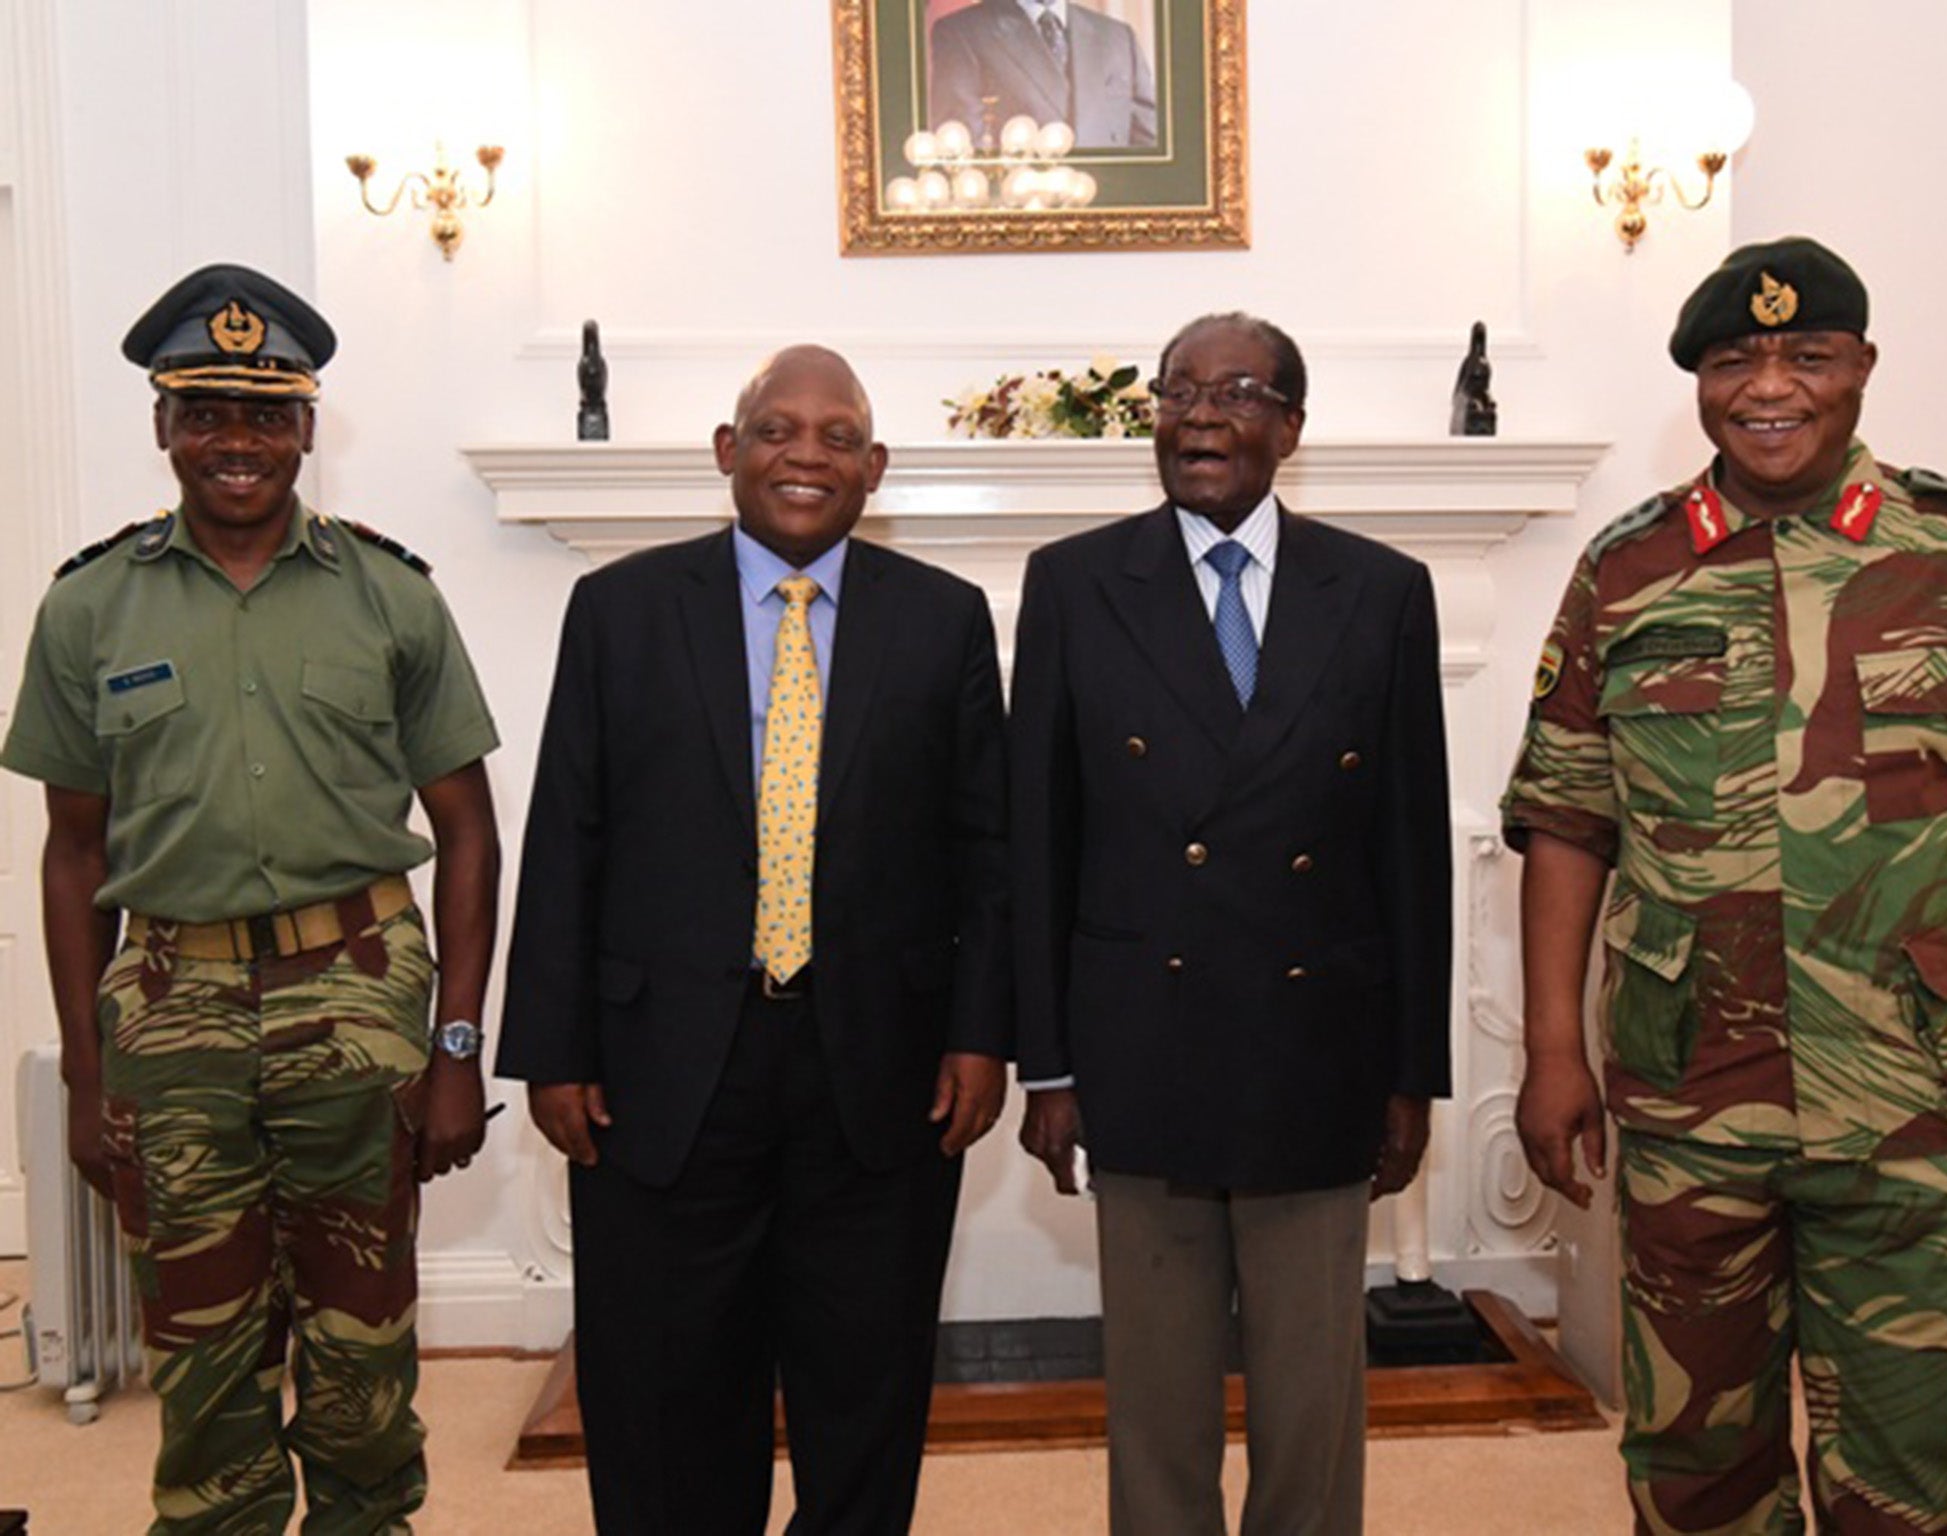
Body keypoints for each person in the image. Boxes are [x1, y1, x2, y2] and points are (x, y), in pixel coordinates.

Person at [1505, 236, 1947, 1534]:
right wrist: (1549, 1052)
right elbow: (1567, 823)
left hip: (1921, 1090)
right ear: (1697, 381)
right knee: (1697, 1468)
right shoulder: (1625, 573)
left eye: (1808, 355)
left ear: (1861, 367)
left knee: (1910, 1473)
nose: (1771, 386)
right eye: (1735, 358)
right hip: (1692, 1093)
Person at [0, 262, 502, 1532]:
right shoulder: (87, 607)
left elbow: (468, 830)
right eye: (208, 412)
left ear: (308, 430)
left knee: (363, 1353)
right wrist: (84, 1076)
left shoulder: (391, 595)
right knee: (204, 1354)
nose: (239, 443)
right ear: (161, 427)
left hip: (360, 1000)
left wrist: (456, 1047)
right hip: (169, 1016)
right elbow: (72, 857)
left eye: (267, 415)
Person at [497, 345, 1010, 1535]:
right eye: (777, 430)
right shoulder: (619, 607)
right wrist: (551, 1047)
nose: (805, 455)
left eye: (837, 437)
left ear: (873, 470)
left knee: (864, 1390)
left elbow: (985, 853)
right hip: (660, 1069)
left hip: (876, 1074)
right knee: (666, 1393)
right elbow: (567, 830)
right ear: (729, 453)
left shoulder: (943, 622)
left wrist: (980, 1034)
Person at [1009, 312, 1452, 1536]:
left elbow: (1411, 849)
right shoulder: (1074, 581)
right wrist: (1043, 1064)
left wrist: (1412, 1075)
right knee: (1154, 1404)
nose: (1200, 414)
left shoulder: (1379, 590)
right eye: (1178, 391)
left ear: (1289, 429)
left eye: (1237, 391)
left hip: (1319, 1046)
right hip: (1135, 1042)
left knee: (1312, 1401)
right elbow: (1037, 837)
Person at [928, 0, 1157, 150]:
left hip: (1115, 212)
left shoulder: (1118, 36)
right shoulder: (962, 32)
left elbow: (1149, 140)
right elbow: (961, 143)